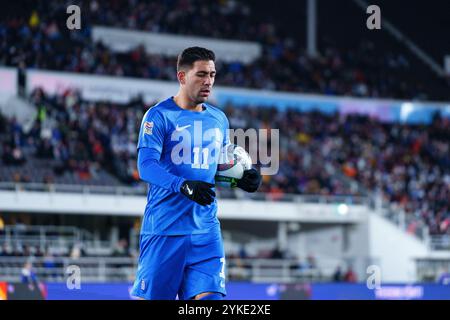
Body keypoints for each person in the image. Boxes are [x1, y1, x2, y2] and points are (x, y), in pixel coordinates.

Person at [130, 47, 261, 300]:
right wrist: (183, 185)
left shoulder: (219, 119)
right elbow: (145, 166)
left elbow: (215, 166)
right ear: (182, 77)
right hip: (165, 231)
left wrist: (243, 177)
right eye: (201, 74)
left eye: (212, 74)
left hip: (206, 231)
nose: (208, 81)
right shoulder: (158, 116)